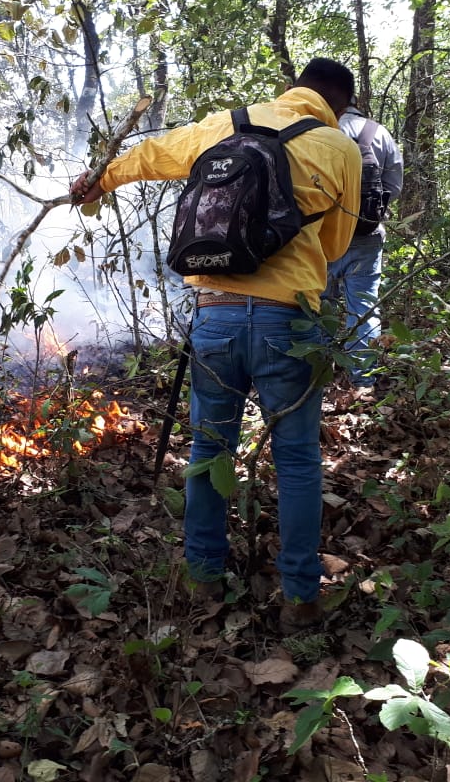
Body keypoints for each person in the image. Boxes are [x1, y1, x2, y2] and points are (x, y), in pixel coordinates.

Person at [71, 58, 362, 632]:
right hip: (291, 325)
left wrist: (95, 182)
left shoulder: (224, 125)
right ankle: (300, 597)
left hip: (216, 320)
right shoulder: (338, 147)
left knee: (209, 451)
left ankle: (204, 578)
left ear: (293, 87)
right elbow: (334, 247)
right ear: (340, 104)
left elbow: (149, 156)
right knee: (298, 461)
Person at [324, 107, 403, 389]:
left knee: (321, 305)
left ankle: (318, 377)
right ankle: (363, 381)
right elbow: (393, 187)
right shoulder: (378, 132)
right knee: (364, 308)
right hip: (367, 235)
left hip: (323, 236)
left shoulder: (318, 130)